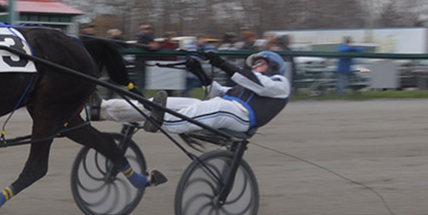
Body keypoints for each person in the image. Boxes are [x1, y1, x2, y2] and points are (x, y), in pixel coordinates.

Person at [94, 50, 290, 135]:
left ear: (273, 67)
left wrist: (222, 63)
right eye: (254, 63)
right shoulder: (246, 84)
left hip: (243, 117)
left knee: (216, 107)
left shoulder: (280, 84)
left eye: (260, 63)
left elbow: (258, 83)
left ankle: (162, 120)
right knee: (167, 102)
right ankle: (103, 109)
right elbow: (218, 92)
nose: (255, 66)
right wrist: (198, 71)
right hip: (227, 107)